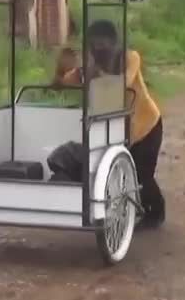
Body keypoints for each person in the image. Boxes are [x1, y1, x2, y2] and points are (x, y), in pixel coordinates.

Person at [53, 20, 166, 228]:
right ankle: (133, 209)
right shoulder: (91, 66)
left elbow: (125, 82)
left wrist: (95, 73)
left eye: (103, 42)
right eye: (95, 43)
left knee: (143, 173)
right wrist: (62, 72)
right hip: (121, 128)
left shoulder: (130, 57)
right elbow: (65, 81)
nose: (100, 47)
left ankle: (156, 213)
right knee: (123, 172)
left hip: (147, 125)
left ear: (113, 42)